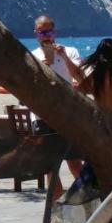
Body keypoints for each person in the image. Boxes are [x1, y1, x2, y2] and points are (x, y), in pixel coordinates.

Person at [30, 14, 84, 198]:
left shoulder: (71, 51)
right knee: (51, 169)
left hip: (68, 116)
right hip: (43, 117)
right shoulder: (31, 56)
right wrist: (40, 69)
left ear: (55, 32)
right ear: (36, 33)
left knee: (75, 163)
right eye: (42, 31)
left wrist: (63, 56)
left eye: (49, 31)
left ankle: (88, 207)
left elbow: (80, 78)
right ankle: (56, 213)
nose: (46, 35)